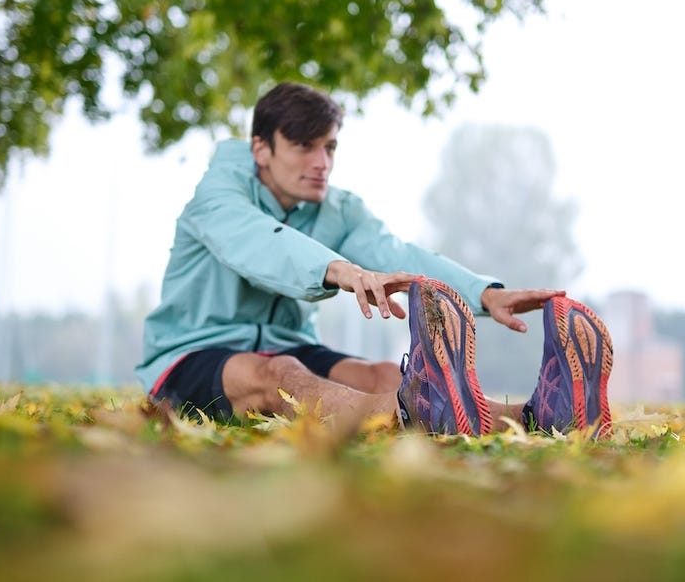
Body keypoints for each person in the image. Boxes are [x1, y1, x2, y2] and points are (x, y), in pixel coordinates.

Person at [137, 82, 613, 436]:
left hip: (287, 343)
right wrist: (338, 269)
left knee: (387, 375)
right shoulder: (216, 197)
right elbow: (258, 242)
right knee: (280, 375)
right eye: (304, 146)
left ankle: (542, 415)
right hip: (191, 357)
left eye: (329, 147)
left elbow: (398, 254)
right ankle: (413, 417)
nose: (321, 162)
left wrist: (485, 293)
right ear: (261, 148)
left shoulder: (338, 209)